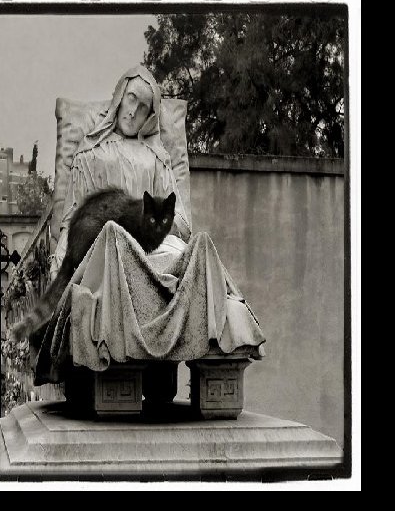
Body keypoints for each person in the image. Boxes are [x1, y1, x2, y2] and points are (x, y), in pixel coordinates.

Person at [35, 65, 265, 388]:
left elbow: (180, 221)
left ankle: (227, 316)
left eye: (143, 107)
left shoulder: (157, 159)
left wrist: (161, 230)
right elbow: (74, 218)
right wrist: (61, 258)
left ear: (150, 117)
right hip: (107, 249)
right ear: (119, 97)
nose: (133, 111)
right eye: (131, 99)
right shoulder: (90, 154)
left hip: (156, 245)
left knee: (201, 247)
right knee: (113, 239)